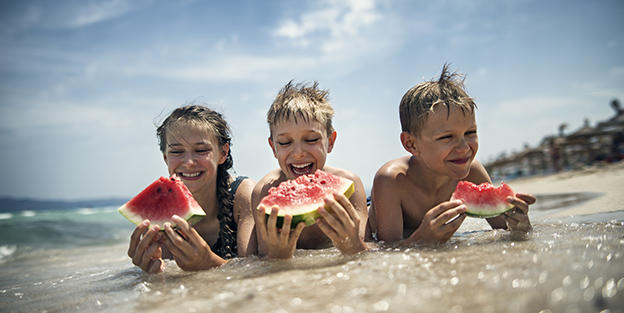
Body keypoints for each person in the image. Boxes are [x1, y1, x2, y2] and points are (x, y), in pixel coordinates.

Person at [368, 64, 535, 245]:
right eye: (447, 137)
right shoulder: (391, 179)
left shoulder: (473, 171)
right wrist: (420, 240)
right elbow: (386, 249)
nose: (464, 147)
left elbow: (503, 229)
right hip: (375, 204)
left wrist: (520, 226)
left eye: (470, 133)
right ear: (411, 144)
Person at [127, 105, 255, 273]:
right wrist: (153, 272)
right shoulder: (163, 212)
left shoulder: (243, 195)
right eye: (177, 151)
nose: (188, 162)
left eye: (201, 150)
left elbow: (255, 272)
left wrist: (208, 261)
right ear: (166, 158)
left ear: (223, 153)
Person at [250, 81, 369, 258]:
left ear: (330, 141)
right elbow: (262, 261)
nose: (298, 153)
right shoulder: (264, 193)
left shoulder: (350, 186)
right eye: (285, 142)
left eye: (312, 139)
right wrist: (278, 256)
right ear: (273, 147)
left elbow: (368, 252)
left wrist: (354, 246)